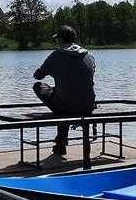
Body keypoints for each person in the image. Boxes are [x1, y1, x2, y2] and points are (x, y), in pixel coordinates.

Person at [32, 25, 96, 159]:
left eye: (57, 39)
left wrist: (45, 70)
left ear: (60, 39)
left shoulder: (57, 54)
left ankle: (60, 144)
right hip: (87, 105)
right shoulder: (89, 55)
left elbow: (38, 76)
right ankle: (60, 143)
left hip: (66, 105)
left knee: (39, 86)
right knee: (65, 97)